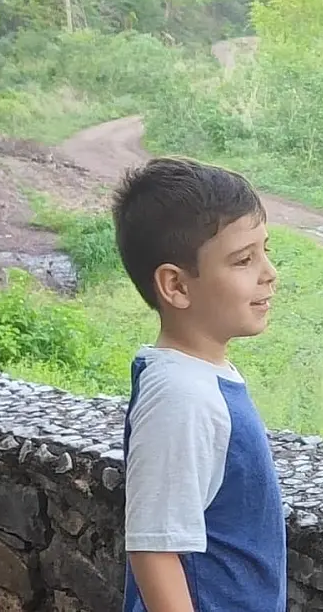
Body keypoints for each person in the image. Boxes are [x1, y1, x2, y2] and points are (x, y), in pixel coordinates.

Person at [111, 156, 285, 612]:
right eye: (244, 259)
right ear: (176, 286)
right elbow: (155, 549)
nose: (269, 272)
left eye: (266, 250)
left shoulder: (201, 378)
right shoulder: (181, 396)